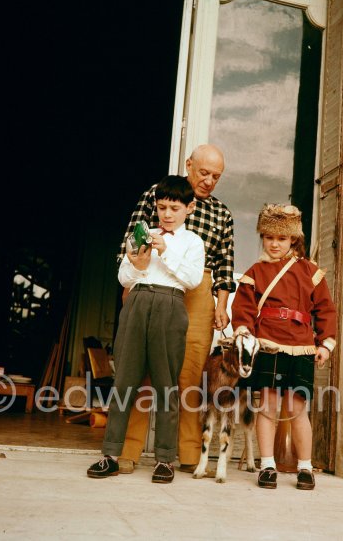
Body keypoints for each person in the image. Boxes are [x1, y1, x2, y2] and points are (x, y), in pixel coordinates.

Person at [116, 144, 235, 474]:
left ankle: (186, 453)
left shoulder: (222, 214)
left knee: (189, 372)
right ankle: (128, 450)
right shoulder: (160, 195)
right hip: (153, 282)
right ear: (189, 165)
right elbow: (131, 239)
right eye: (204, 173)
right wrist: (129, 286)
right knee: (143, 371)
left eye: (216, 176)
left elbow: (225, 266)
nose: (209, 181)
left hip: (198, 292)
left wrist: (221, 306)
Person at [87, 175, 205, 483]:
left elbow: (192, 280)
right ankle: (110, 454)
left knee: (166, 384)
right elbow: (124, 277)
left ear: (189, 208)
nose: (167, 214)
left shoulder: (193, 242)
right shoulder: (144, 233)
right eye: (162, 207)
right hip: (138, 301)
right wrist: (136, 264)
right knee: (124, 380)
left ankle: (165, 459)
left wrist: (165, 251)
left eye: (175, 208)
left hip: (170, 303)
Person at [231, 203, 336, 490]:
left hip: (301, 347)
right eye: (269, 237)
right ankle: (267, 465)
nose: (274, 244)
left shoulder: (310, 272)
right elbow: (243, 308)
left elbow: (326, 310)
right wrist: (243, 332)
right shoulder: (255, 272)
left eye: (281, 238)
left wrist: (325, 344)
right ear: (262, 238)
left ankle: (305, 467)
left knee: (297, 409)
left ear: (293, 239)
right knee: (268, 407)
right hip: (267, 345)